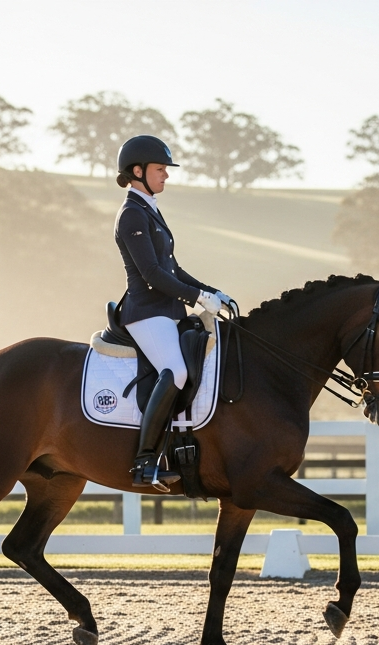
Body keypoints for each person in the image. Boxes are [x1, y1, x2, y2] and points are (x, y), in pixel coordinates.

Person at [113, 135, 236, 488]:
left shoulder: (149, 208)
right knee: (176, 371)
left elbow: (174, 269)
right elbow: (152, 275)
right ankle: (145, 462)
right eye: (160, 169)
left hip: (167, 311)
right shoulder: (131, 215)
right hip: (146, 312)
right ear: (137, 171)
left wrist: (212, 292)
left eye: (165, 169)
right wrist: (198, 297)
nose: (166, 175)